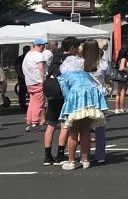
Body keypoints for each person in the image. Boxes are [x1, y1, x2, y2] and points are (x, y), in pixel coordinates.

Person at [58, 39, 109, 170]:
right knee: (85, 130)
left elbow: (66, 93)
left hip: (78, 97)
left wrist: (67, 108)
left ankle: (71, 161)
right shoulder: (88, 69)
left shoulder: (65, 72)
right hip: (93, 96)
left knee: (74, 132)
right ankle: (85, 160)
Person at [43, 36, 79, 165]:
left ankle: (47, 156)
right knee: (65, 124)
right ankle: (60, 154)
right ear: (72, 48)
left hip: (52, 93)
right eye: (76, 48)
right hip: (64, 94)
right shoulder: (72, 60)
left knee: (51, 124)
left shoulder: (55, 58)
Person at [23, 38, 47, 131]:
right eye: (43, 45)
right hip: (38, 81)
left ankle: (29, 121)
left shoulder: (27, 55)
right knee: (39, 103)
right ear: (39, 45)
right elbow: (41, 68)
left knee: (32, 102)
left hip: (29, 81)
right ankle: (35, 122)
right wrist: (43, 80)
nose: (44, 48)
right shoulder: (38, 55)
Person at [113, 47, 128, 114]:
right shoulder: (123, 59)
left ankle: (117, 108)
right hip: (123, 77)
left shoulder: (119, 59)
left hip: (119, 77)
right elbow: (122, 68)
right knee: (122, 92)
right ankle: (122, 108)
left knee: (118, 93)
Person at [15, 46, 30, 112]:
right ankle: (22, 106)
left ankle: (26, 106)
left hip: (29, 77)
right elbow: (17, 68)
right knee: (22, 92)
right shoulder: (20, 58)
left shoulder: (30, 58)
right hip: (23, 77)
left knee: (27, 92)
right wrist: (22, 76)